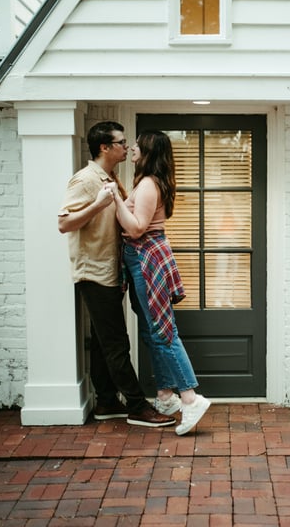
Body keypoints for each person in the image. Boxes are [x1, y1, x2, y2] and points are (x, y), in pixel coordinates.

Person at [58, 121, 175, 428]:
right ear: (104, 147)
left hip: (111, 271)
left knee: (100, 340)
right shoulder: (85, 180)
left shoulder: (111, 177)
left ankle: (107, 402)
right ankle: (137, 407)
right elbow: (64, 224)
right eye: (122, 143)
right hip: (94, 272)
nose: (127, 147)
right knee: (116, 343)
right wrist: (98, 205)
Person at [111, 129, 210, 436]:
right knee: (151, 331)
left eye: (137, 146)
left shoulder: (150, 185)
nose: (132, 150)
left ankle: (191, 398)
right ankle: (166, 395)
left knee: (163, 331)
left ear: (148, 152)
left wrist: (115, 197)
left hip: (146, 259)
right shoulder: (146, 182)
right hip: (140, 258)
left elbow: (138, 228)